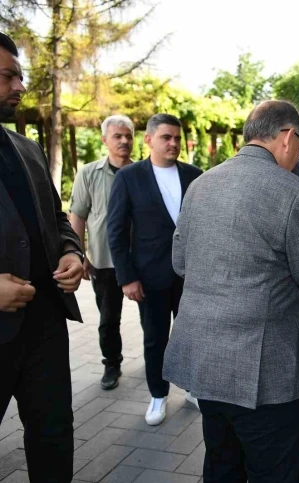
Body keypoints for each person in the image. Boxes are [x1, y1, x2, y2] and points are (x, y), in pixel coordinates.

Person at [163, 100, 299, 483]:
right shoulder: (293, 192)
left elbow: (180, 262)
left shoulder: (200, 184)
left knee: (222, 463)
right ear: (287, 137)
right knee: (275, 470)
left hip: (205, 362)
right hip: (263, 373)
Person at [0, 32, 85, 482]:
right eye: (8, 76)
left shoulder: (27, 148)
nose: (19, 86)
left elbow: (56, 218)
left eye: (20, 76)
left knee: (53, 438)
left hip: (45, 327)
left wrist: (72, 252)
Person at [107, 113, 203, 425]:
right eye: (166, 137)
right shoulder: (129, 177)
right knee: (155, 339)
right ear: (149, 139)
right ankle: (158, 395)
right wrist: (127, 277)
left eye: (177, 138)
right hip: (150, 276)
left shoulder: (195, 176)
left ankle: (192, 389)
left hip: (191, 276)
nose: (173, 143)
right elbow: (116, 232)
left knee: (192, 335)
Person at [70, 114, 135, 390]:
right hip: (104, 260)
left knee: (153, 318)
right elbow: (77, 215)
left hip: (140, 259)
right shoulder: (89, 173)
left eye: (128, 136)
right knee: (108, 319)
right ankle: (112, 364)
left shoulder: (143, 172)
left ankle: (157, 361)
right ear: (104, 139)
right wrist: (78, 254)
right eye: (117, 136)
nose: (124, 141)